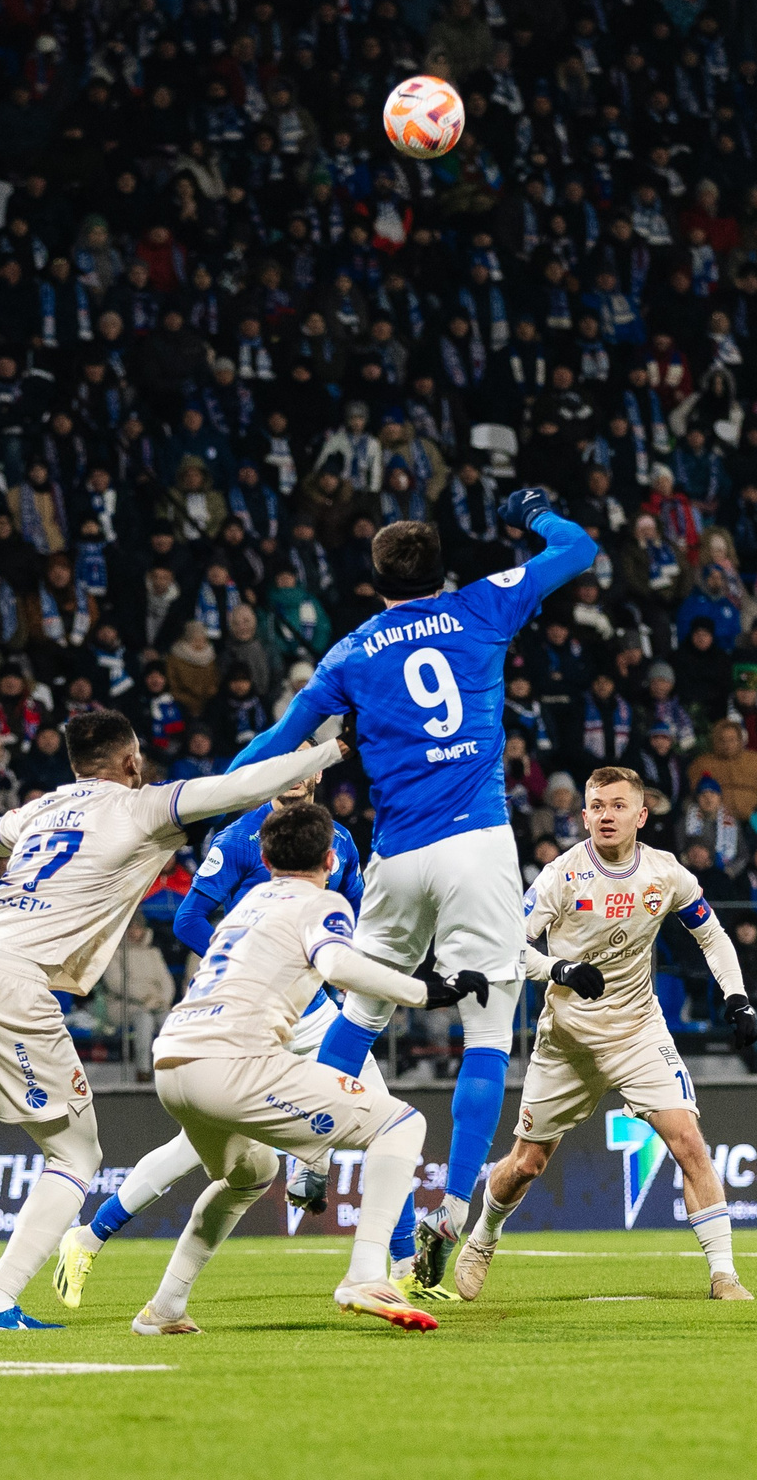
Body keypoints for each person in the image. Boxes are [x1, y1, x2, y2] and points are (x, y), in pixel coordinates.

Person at [223, 488, 597, 1288]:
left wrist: (207, 797)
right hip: (479, 845)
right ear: (440, 570)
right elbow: (578, 550)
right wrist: (532, 509)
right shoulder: (482, 605)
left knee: (359, 1010)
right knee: (488, 1031)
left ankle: (309, 1155)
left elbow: (281, 739)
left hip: (396, 853)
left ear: (376, 579)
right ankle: (452, 1209)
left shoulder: (351, 652)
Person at [0, 711, 344, 1332]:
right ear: (130, 763)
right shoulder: (144, 807)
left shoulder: (44, 806)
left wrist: (34, 838)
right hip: (8, 981)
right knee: (75, 1154)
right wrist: (334, 749)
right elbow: (242, 788)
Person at [53, 769, 407, 1307]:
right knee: (194, 1150)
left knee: (382, 1114)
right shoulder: (242, 837)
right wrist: (250, 957)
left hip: (312, 1011)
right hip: (248, 1017)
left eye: (308, 759)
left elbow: (354, 920)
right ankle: (89, 1237)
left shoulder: (338, 842)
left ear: (317, 771)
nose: (297, 772)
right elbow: (190, 917)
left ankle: (403, 1266)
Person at [133, 802, 477, 1335]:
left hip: (173, 1061)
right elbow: (338, 965)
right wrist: (425, 991)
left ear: (265, 858)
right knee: (402, 1124)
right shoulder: (322, 902)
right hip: (234, 1063)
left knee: (252, 1175)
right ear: (330, 856)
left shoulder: (247, 905)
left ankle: (165, 1308)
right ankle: (366, 1272)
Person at [450, 766, 757, 1303]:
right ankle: (483, 1236)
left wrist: (737, 996)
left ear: (641, 815)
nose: (605, 815)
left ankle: (724, 1275)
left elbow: (712, 937)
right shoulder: (561, 876)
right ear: (584, 814)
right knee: (527, 1163)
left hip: (638, 1031)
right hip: (568, 1040)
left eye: (617, 806)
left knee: (688, 1141)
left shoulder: (665, 874)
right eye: (596, 806)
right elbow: (507, 946)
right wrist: (558, 970)